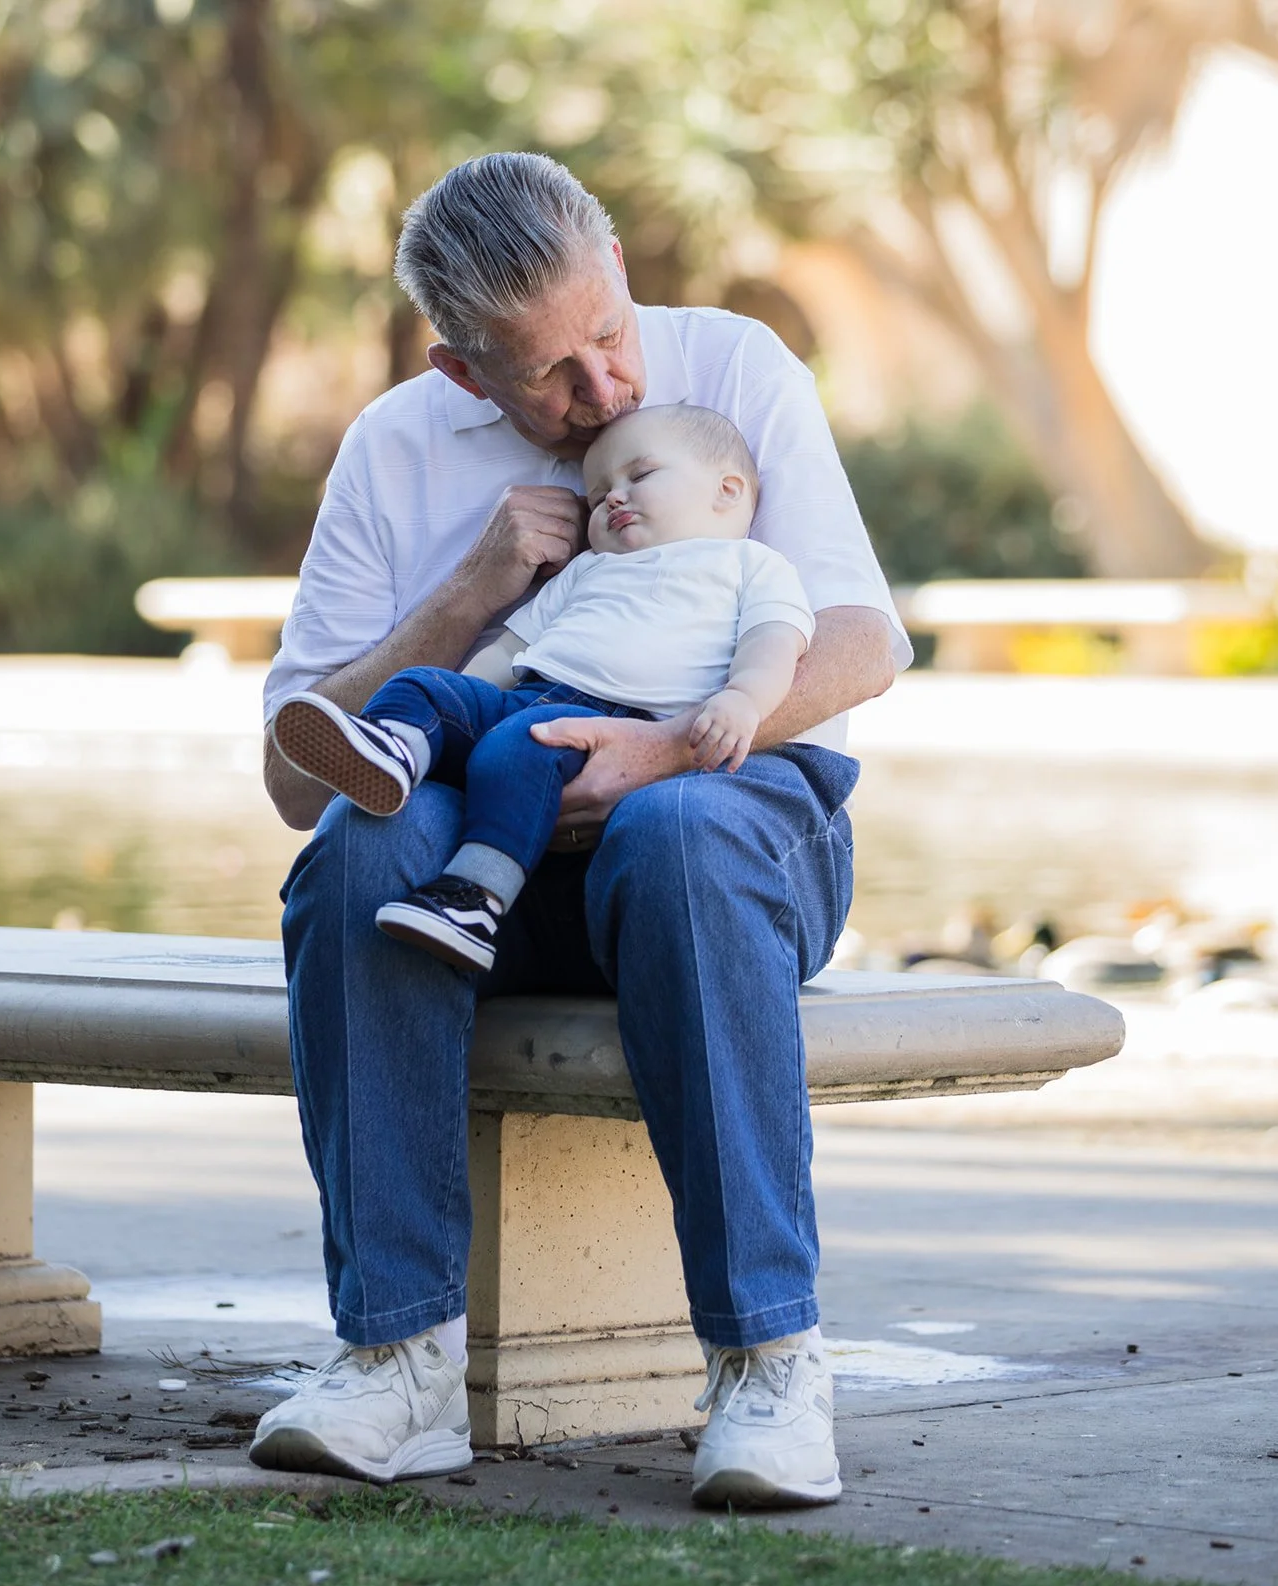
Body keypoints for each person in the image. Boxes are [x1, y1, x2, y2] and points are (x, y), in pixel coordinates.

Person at [249, 152, 912, 1508]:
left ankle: (767, 1361)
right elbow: (294, 780)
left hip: (723, 836)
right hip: (489, 884)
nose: (604, 393)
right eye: (547, 375)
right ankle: (396, 1361)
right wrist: (469, 594)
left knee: (675, 834)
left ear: (617, 269)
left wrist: (664, 748)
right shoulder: (394, 446)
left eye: (606, 334)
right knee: (357, 851)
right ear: (460, 371)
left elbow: (858, 638)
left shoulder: (733, 370)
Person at [266, 404, 814, 974]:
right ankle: (396, 753)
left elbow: (774, 642)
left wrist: (743, 698)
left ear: (727, 490)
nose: (615, 499)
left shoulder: (751, 565)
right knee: (422, 686)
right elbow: (508, 651)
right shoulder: (588, 570)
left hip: (609, 723)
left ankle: (475, 898)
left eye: (641, 476)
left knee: (513, 751)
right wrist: (460, 708)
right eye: (599, 498)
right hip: (530, 693)